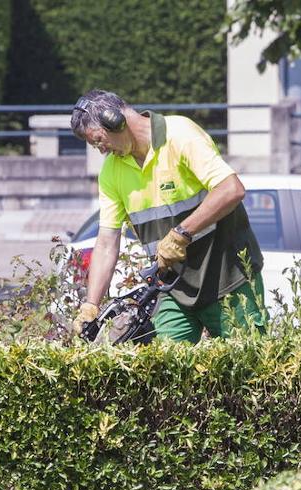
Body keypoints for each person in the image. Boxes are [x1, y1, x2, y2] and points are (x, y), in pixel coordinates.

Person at [68, 89, 265, 341]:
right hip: (174, 289)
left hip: (228, 277)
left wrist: (181, 233)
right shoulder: (111, 171)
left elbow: (231, 189)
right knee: (165, 370)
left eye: (98, 140)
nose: (101, 150)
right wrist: (91, 306)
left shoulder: (180, 134)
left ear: (114, 120)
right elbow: (107, 241)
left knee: (248, 364)